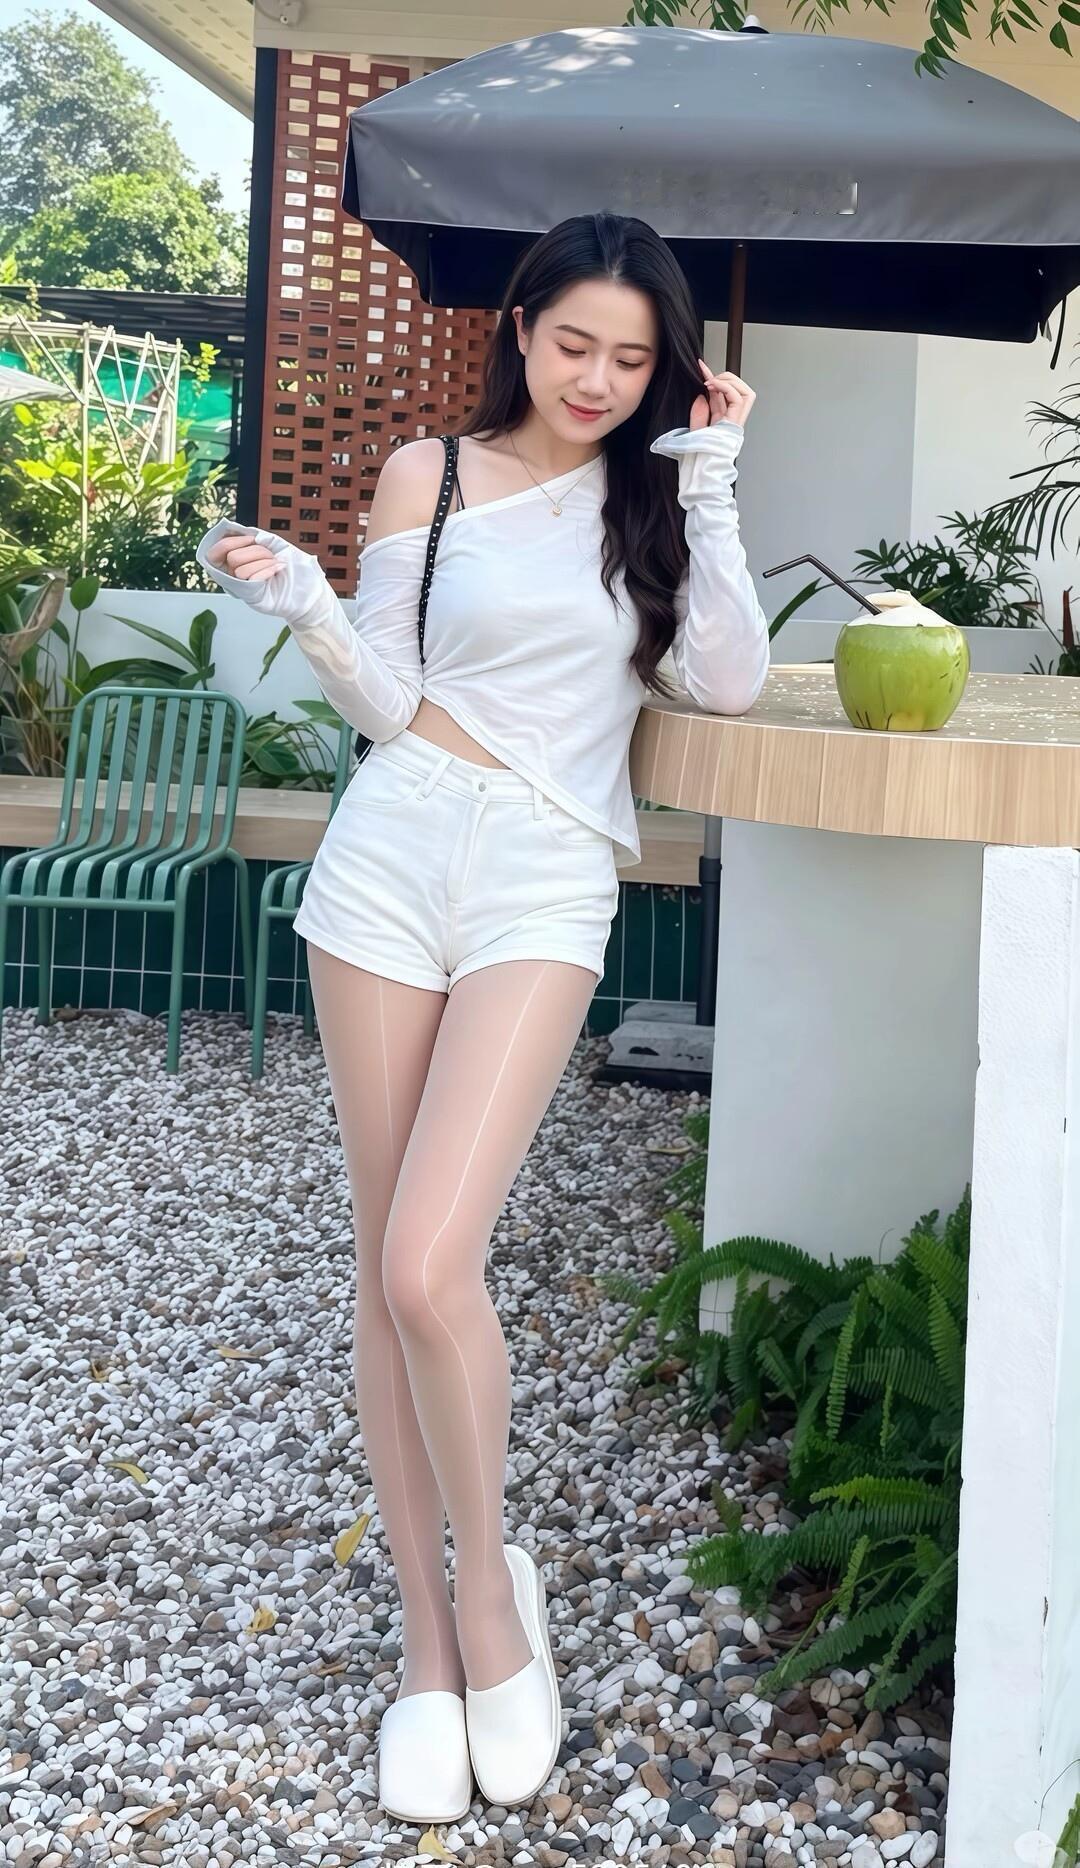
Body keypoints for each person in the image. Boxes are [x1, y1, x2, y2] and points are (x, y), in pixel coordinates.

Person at [195, 210, 770, 1827]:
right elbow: (388, 700)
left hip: (543, 874)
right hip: (389, 861)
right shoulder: (427, 476)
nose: (598, 379)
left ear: (665, 372)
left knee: (431, 1264)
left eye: (632, 358)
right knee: (385, 1268)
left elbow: (729, 681)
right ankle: (426, 1637)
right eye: (575, 342)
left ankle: (496, 1592)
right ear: (520, 329)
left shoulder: (652, 505)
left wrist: (713, 478)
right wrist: (312, 602)